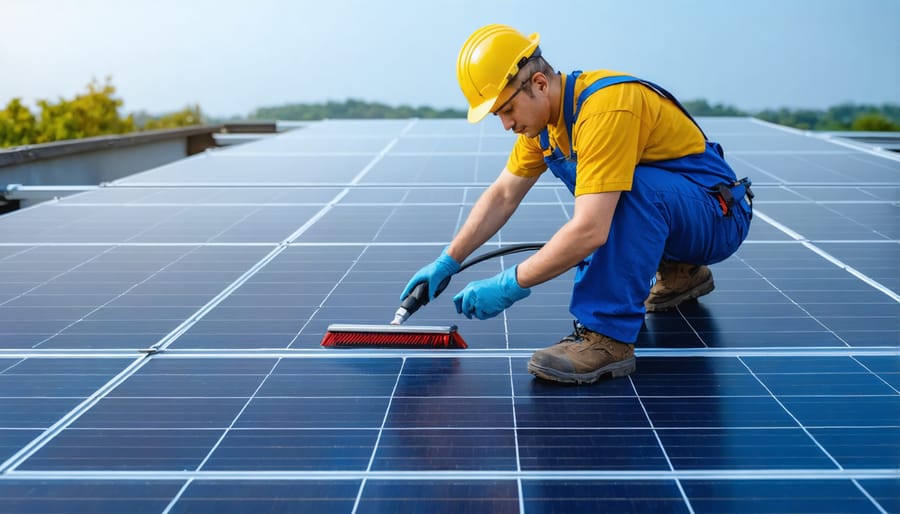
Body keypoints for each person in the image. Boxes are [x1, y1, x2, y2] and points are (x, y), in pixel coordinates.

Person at [400, 24, 752, 385]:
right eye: (497, 116)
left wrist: (509, 284)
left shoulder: (605, 110)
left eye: (507, 109)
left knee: (626, 192)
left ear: (539, 84)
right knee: (620, 191)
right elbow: (504, 194)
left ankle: (607, 337)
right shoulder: (545, 128)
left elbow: (591, 229)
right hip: (685, 214)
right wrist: (449, 259)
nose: (506, 124)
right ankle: (682, 273)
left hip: (719, 218)